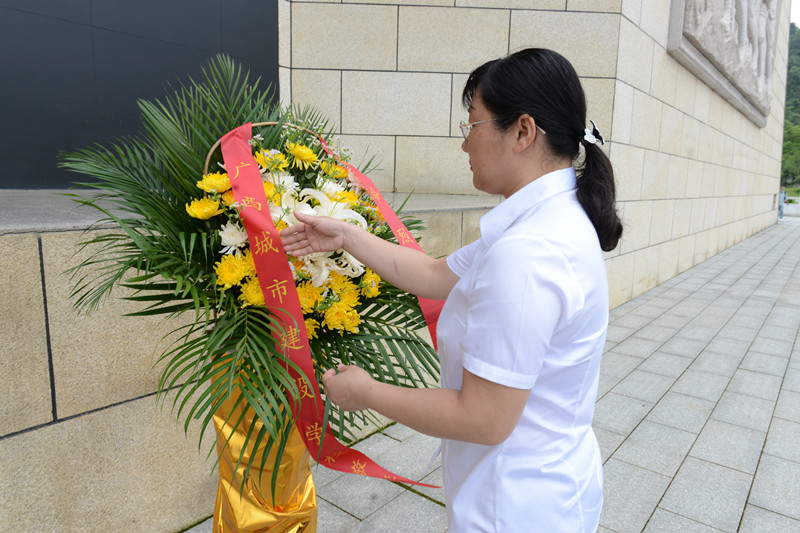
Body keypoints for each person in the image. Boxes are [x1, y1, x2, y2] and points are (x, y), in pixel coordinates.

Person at [280, 48, 622, 533]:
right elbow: (436, 275)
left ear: (523, 132)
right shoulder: (546, 220)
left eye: (473, 125)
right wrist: (347, 236)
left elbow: (484, 418)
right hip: (542, 485)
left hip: (517, 505)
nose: (465, 145)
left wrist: (367, 391)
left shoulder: (529, 253)